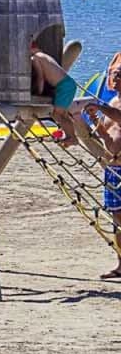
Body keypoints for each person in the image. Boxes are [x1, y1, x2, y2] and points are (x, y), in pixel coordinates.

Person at [82, 57, 121, 277]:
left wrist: (100, 108)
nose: (115, 77)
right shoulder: (112, 102)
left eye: (120, 74)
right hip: (112, 168)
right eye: (113, 73)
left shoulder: (112, 107)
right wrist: (95, 119)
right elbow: (106, 135)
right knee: (116, 217)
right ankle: (120, 264)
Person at [30, 43, 79, 145]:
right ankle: (70, 135)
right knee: (63, 114)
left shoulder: (36, 58)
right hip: (68, 84)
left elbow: (41, 78)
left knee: (56, 114)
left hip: (63, 86)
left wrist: (38, 93)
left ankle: (72, 137)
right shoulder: (44, 56)